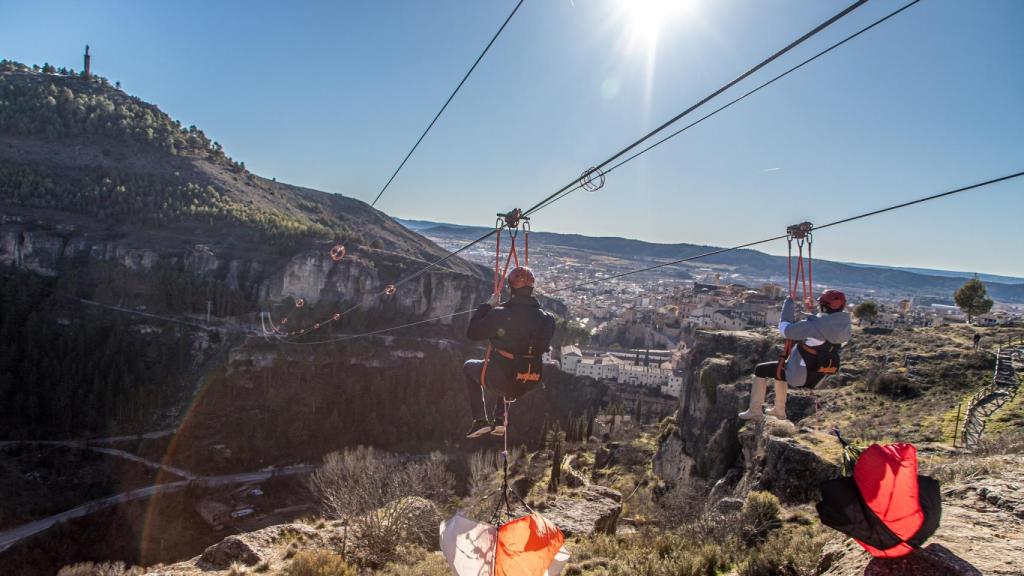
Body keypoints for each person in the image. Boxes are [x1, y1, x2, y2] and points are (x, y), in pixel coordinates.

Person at [463, 266, 556, 438]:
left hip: (502, 379)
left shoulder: (500, 314)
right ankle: (500, 418)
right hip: (529, 379)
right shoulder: (548, 319)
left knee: (469, 366)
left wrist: (487, 307)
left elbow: (473, 332)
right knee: (509, 364)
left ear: (511, 288)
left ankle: (480, 420)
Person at [739, 289, 852, 422]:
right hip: (820, 377)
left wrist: (788, 304)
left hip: (800, 375)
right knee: (779, 371)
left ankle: (755, 410)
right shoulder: (845, 329)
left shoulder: (814, 326)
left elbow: (786, 330)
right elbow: (824, 326)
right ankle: (779, 410)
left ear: (823, 306)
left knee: (760, 370)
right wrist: (813, 314)